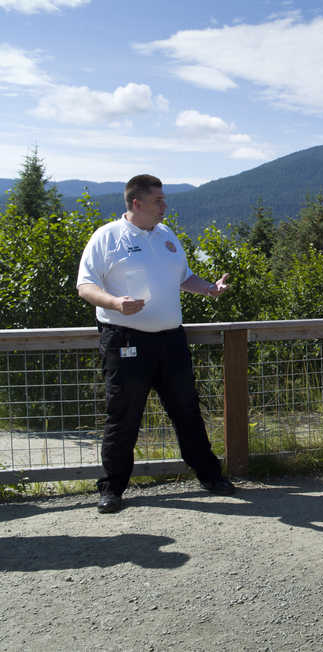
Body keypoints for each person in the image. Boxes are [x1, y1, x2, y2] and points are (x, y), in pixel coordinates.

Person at [76, 174, 235, 514]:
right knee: (124, 415)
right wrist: (116, 302)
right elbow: (85, 286)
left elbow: (183, 278)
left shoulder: (166, 236)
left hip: (170, 339)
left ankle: (210, 476)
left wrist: (208, 288)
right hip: (125, 339)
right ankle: (112, 488)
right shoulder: (107, 237)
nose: (165, 206)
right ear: (136, 203)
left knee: (187, 410)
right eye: (159, 201)